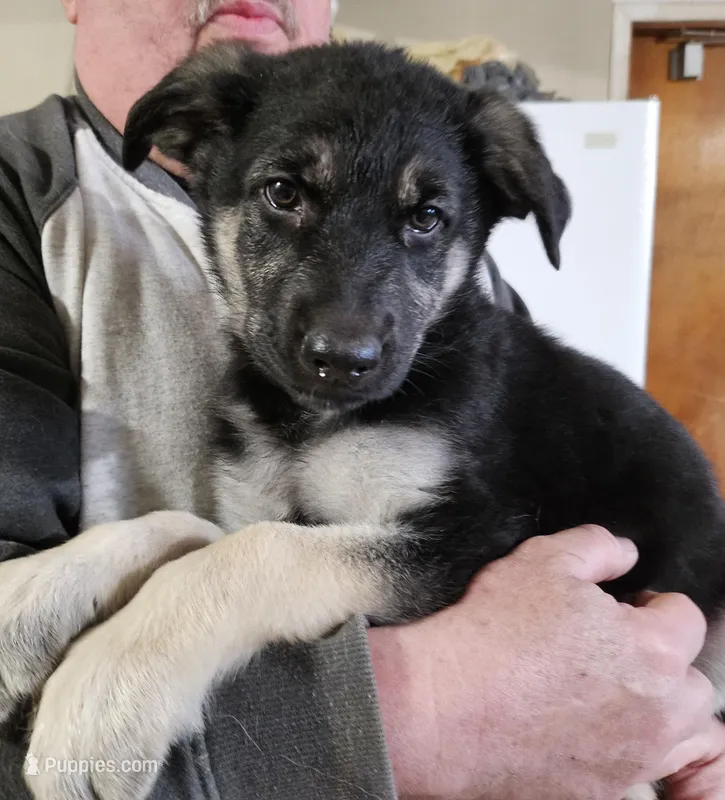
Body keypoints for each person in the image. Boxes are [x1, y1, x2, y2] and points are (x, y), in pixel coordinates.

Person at [0, 1, 723, 797]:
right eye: (285, 193)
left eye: (422, 220)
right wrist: (435, 711)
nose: (351, 334)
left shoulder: (464, 331)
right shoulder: (26, 191)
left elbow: (450, 557)